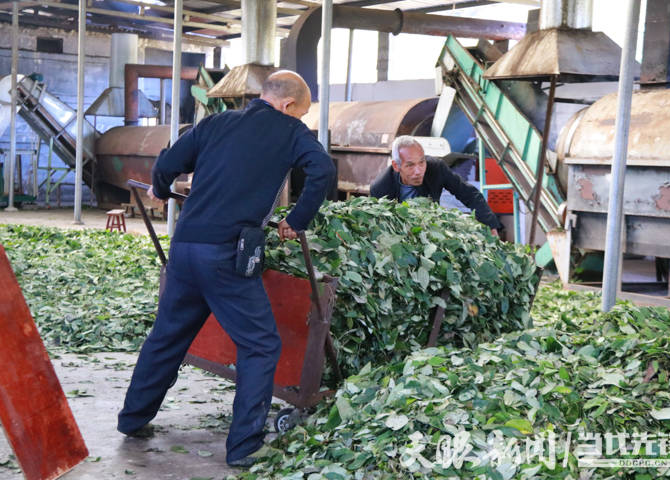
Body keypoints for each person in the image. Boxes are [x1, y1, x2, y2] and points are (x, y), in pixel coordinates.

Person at [117, 70, 335, 468]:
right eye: (300, 113)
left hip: (185, 247)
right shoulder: (291, 133)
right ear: (288, 106)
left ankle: (133, 418)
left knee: (167, 335)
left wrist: (161, 189)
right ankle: (245, 447)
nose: (300, 120)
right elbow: (323, 170)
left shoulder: (217, 121)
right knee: (261, 344)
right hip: (226, 255)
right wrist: (297, 220)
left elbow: (167, 162)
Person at [370, 135, 502, 236]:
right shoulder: (381, 188)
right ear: (396, 166)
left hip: (431, 229)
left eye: (421, 162)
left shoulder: (436, 168)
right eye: (410, 165)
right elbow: (380, 227)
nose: (418, 171)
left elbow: (469, 194)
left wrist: (490, 225)